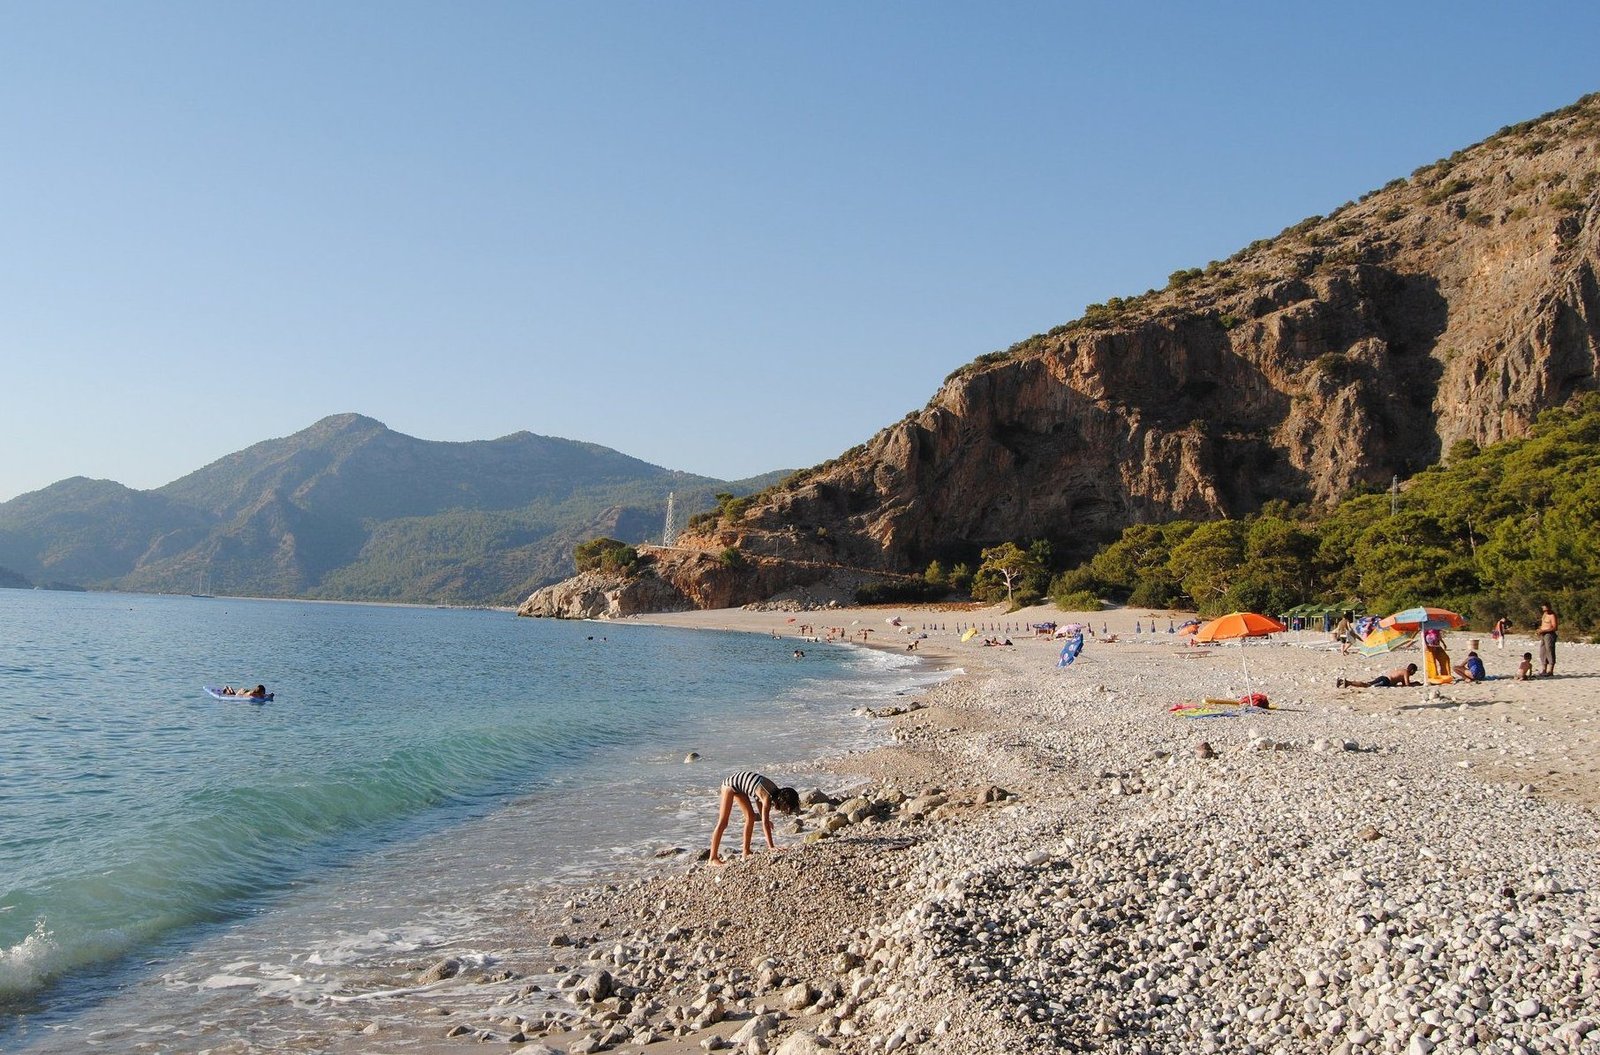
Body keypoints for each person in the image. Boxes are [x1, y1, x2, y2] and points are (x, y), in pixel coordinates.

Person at [708, 771, 801, 864]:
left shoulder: (773, 791)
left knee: (751, 816)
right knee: (723, 822)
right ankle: (712, 858)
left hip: (740, 787)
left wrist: (766, 819)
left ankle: (746, 851)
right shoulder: (767, 797)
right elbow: (764, 823)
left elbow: (758, 799)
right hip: (729, 785)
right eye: (784, 808)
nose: (783, 810)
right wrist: (771, 846)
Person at [1337, 664, 1418, 688]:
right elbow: (1407, 684)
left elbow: (1403, 684)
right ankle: (1348, 682)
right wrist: (1416, 684)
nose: (1413, 674)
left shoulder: (1402, 671)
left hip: (1384, 678)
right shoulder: (1406, 673)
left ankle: (1347, 683)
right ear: (1412, 670)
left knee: (1368, 684)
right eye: (1414, 672)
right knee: (1367, 685)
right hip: (1385, 681)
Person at [1537, 603, 1558, 676]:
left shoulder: (1552, 615)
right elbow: (1543, 624)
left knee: (1550, 651)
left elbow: (1555, 627)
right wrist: (1540, 630)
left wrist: (1544, 631)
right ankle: (1543, 669)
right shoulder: (1544, 615)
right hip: (1543, 634)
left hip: (1549, 634)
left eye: (1546, 609)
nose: (1545, 611)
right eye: (1544, 610)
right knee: (1542, 652)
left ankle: (1550, 670)